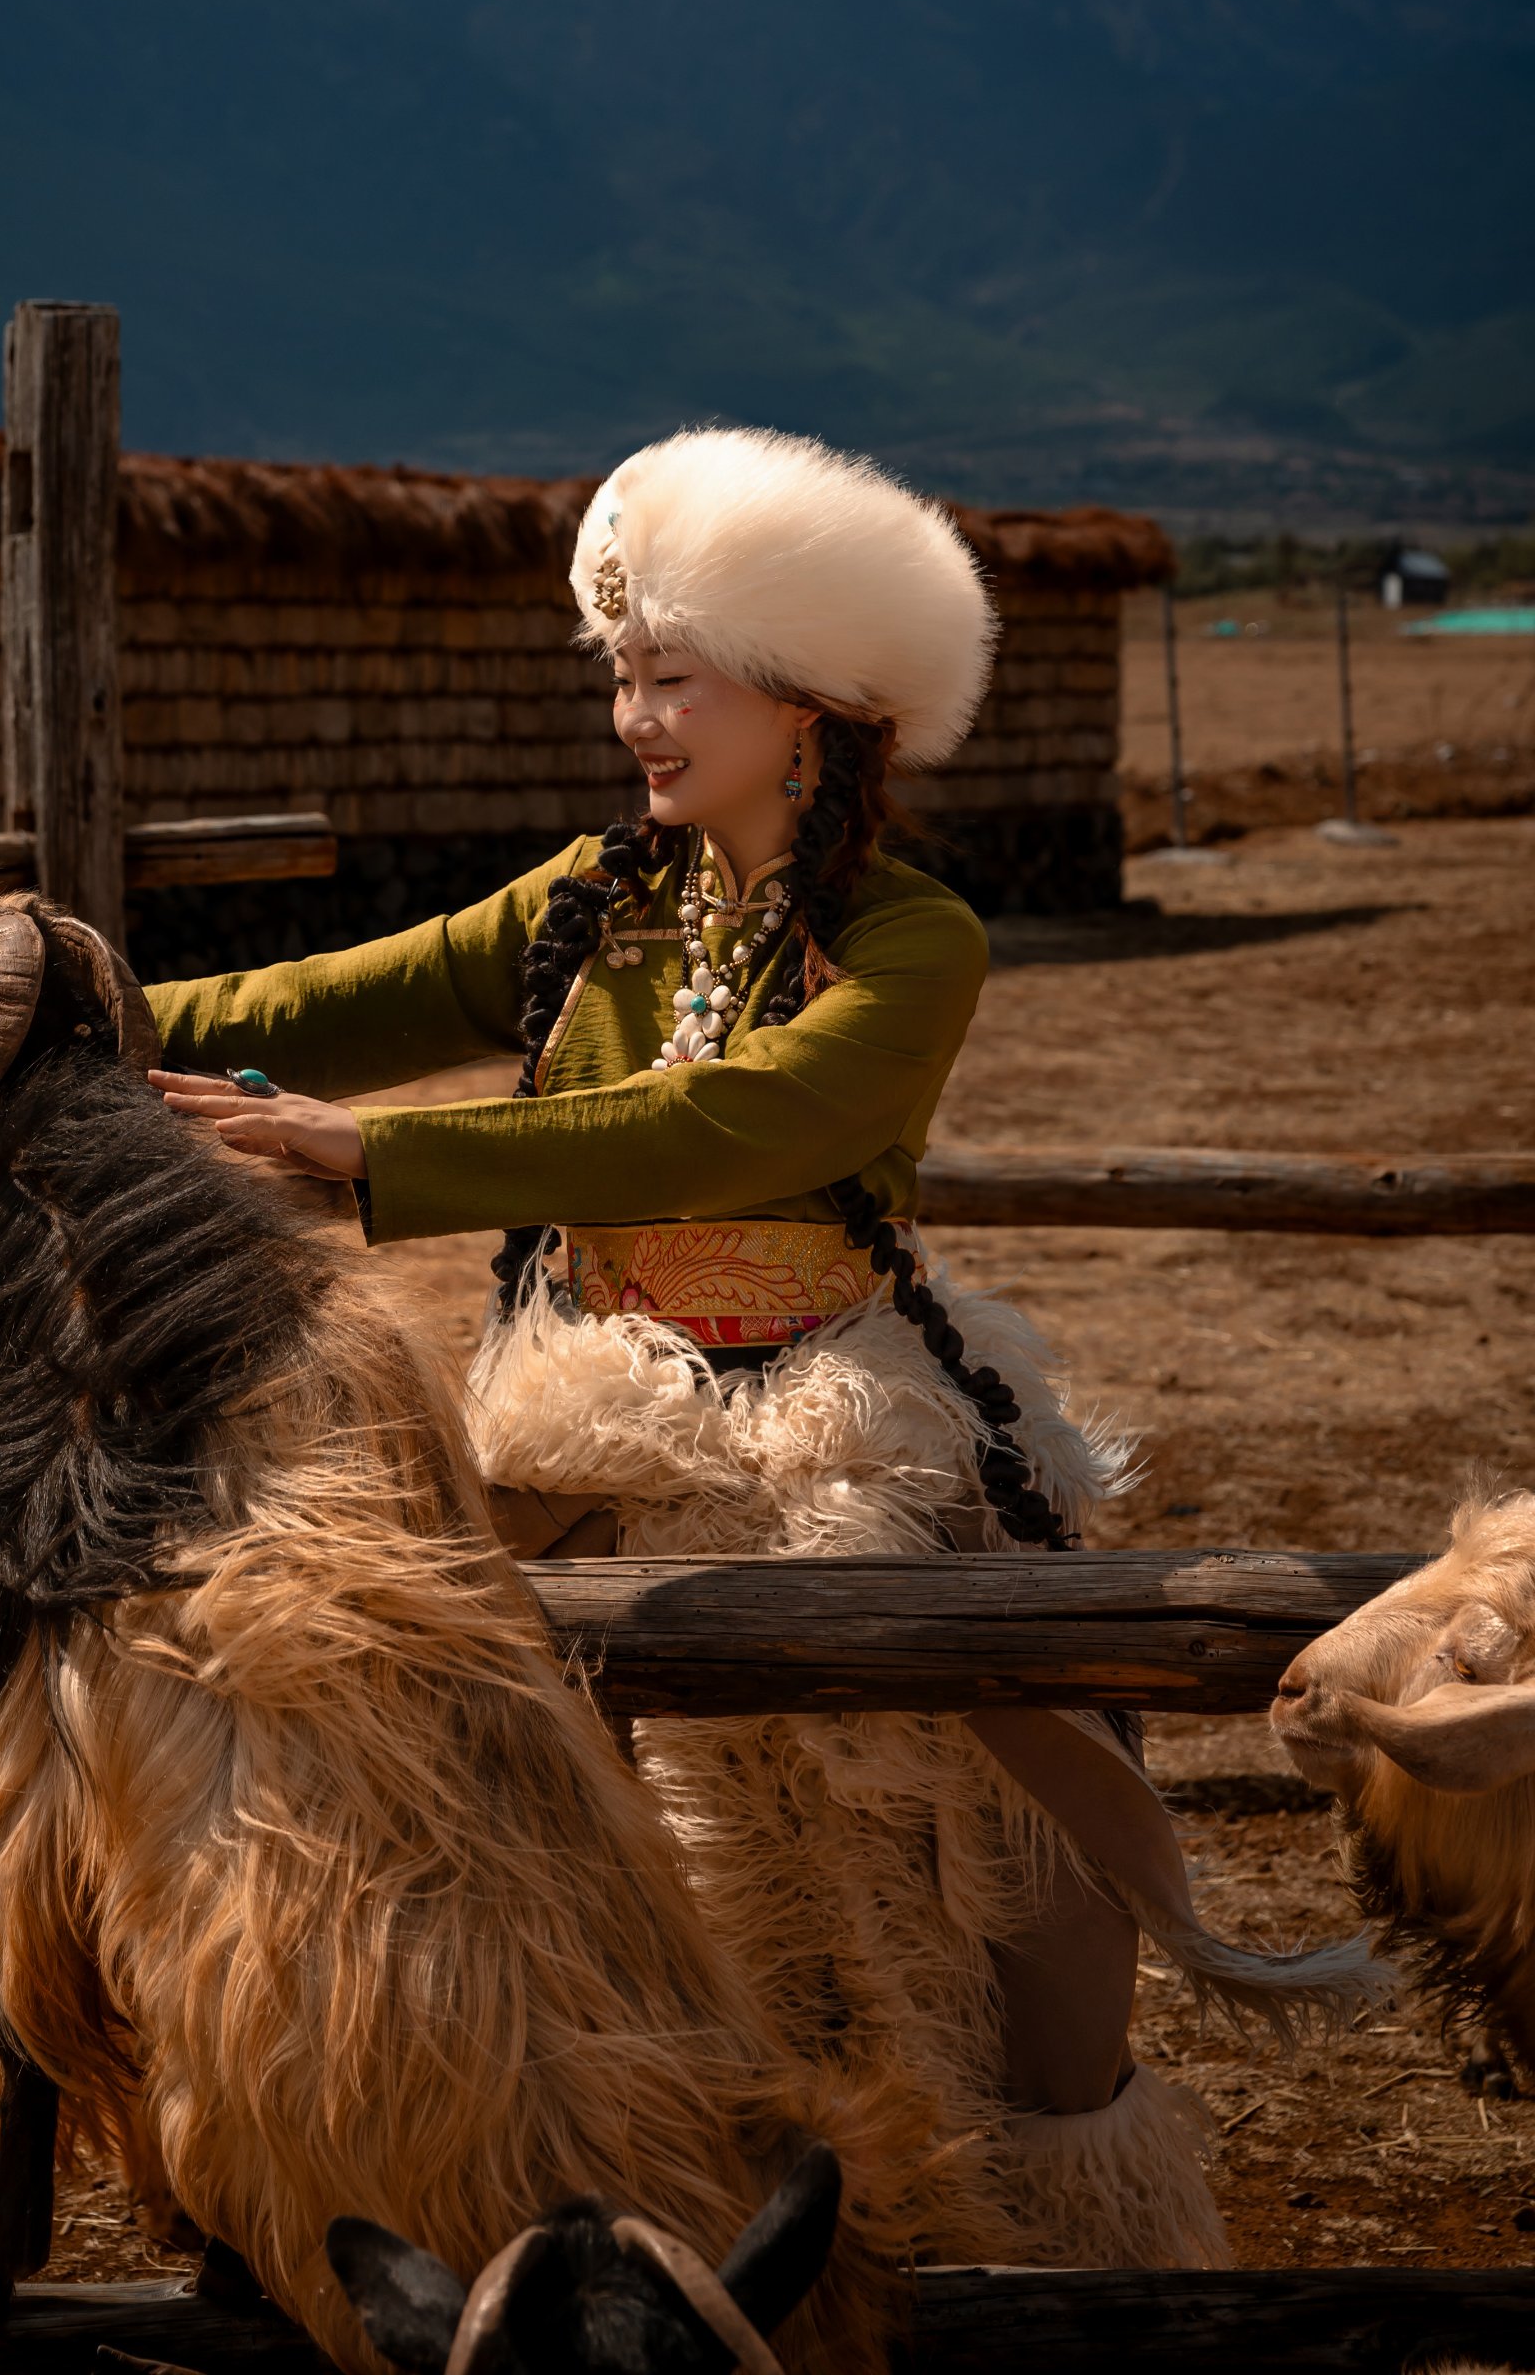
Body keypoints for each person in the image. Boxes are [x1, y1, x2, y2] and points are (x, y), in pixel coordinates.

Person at [148, 429, 1374, 2264]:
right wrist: (41, 999)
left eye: (674, 677)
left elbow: (737, 1128)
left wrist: (382, 1154)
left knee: (999, 1868)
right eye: (623, 676)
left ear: (807, 704)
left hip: (843, 1442)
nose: (637, 717)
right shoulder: (586, 906)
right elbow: (320, 1004)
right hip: (602, 1433)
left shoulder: (910, 940)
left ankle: (1036, 2246)